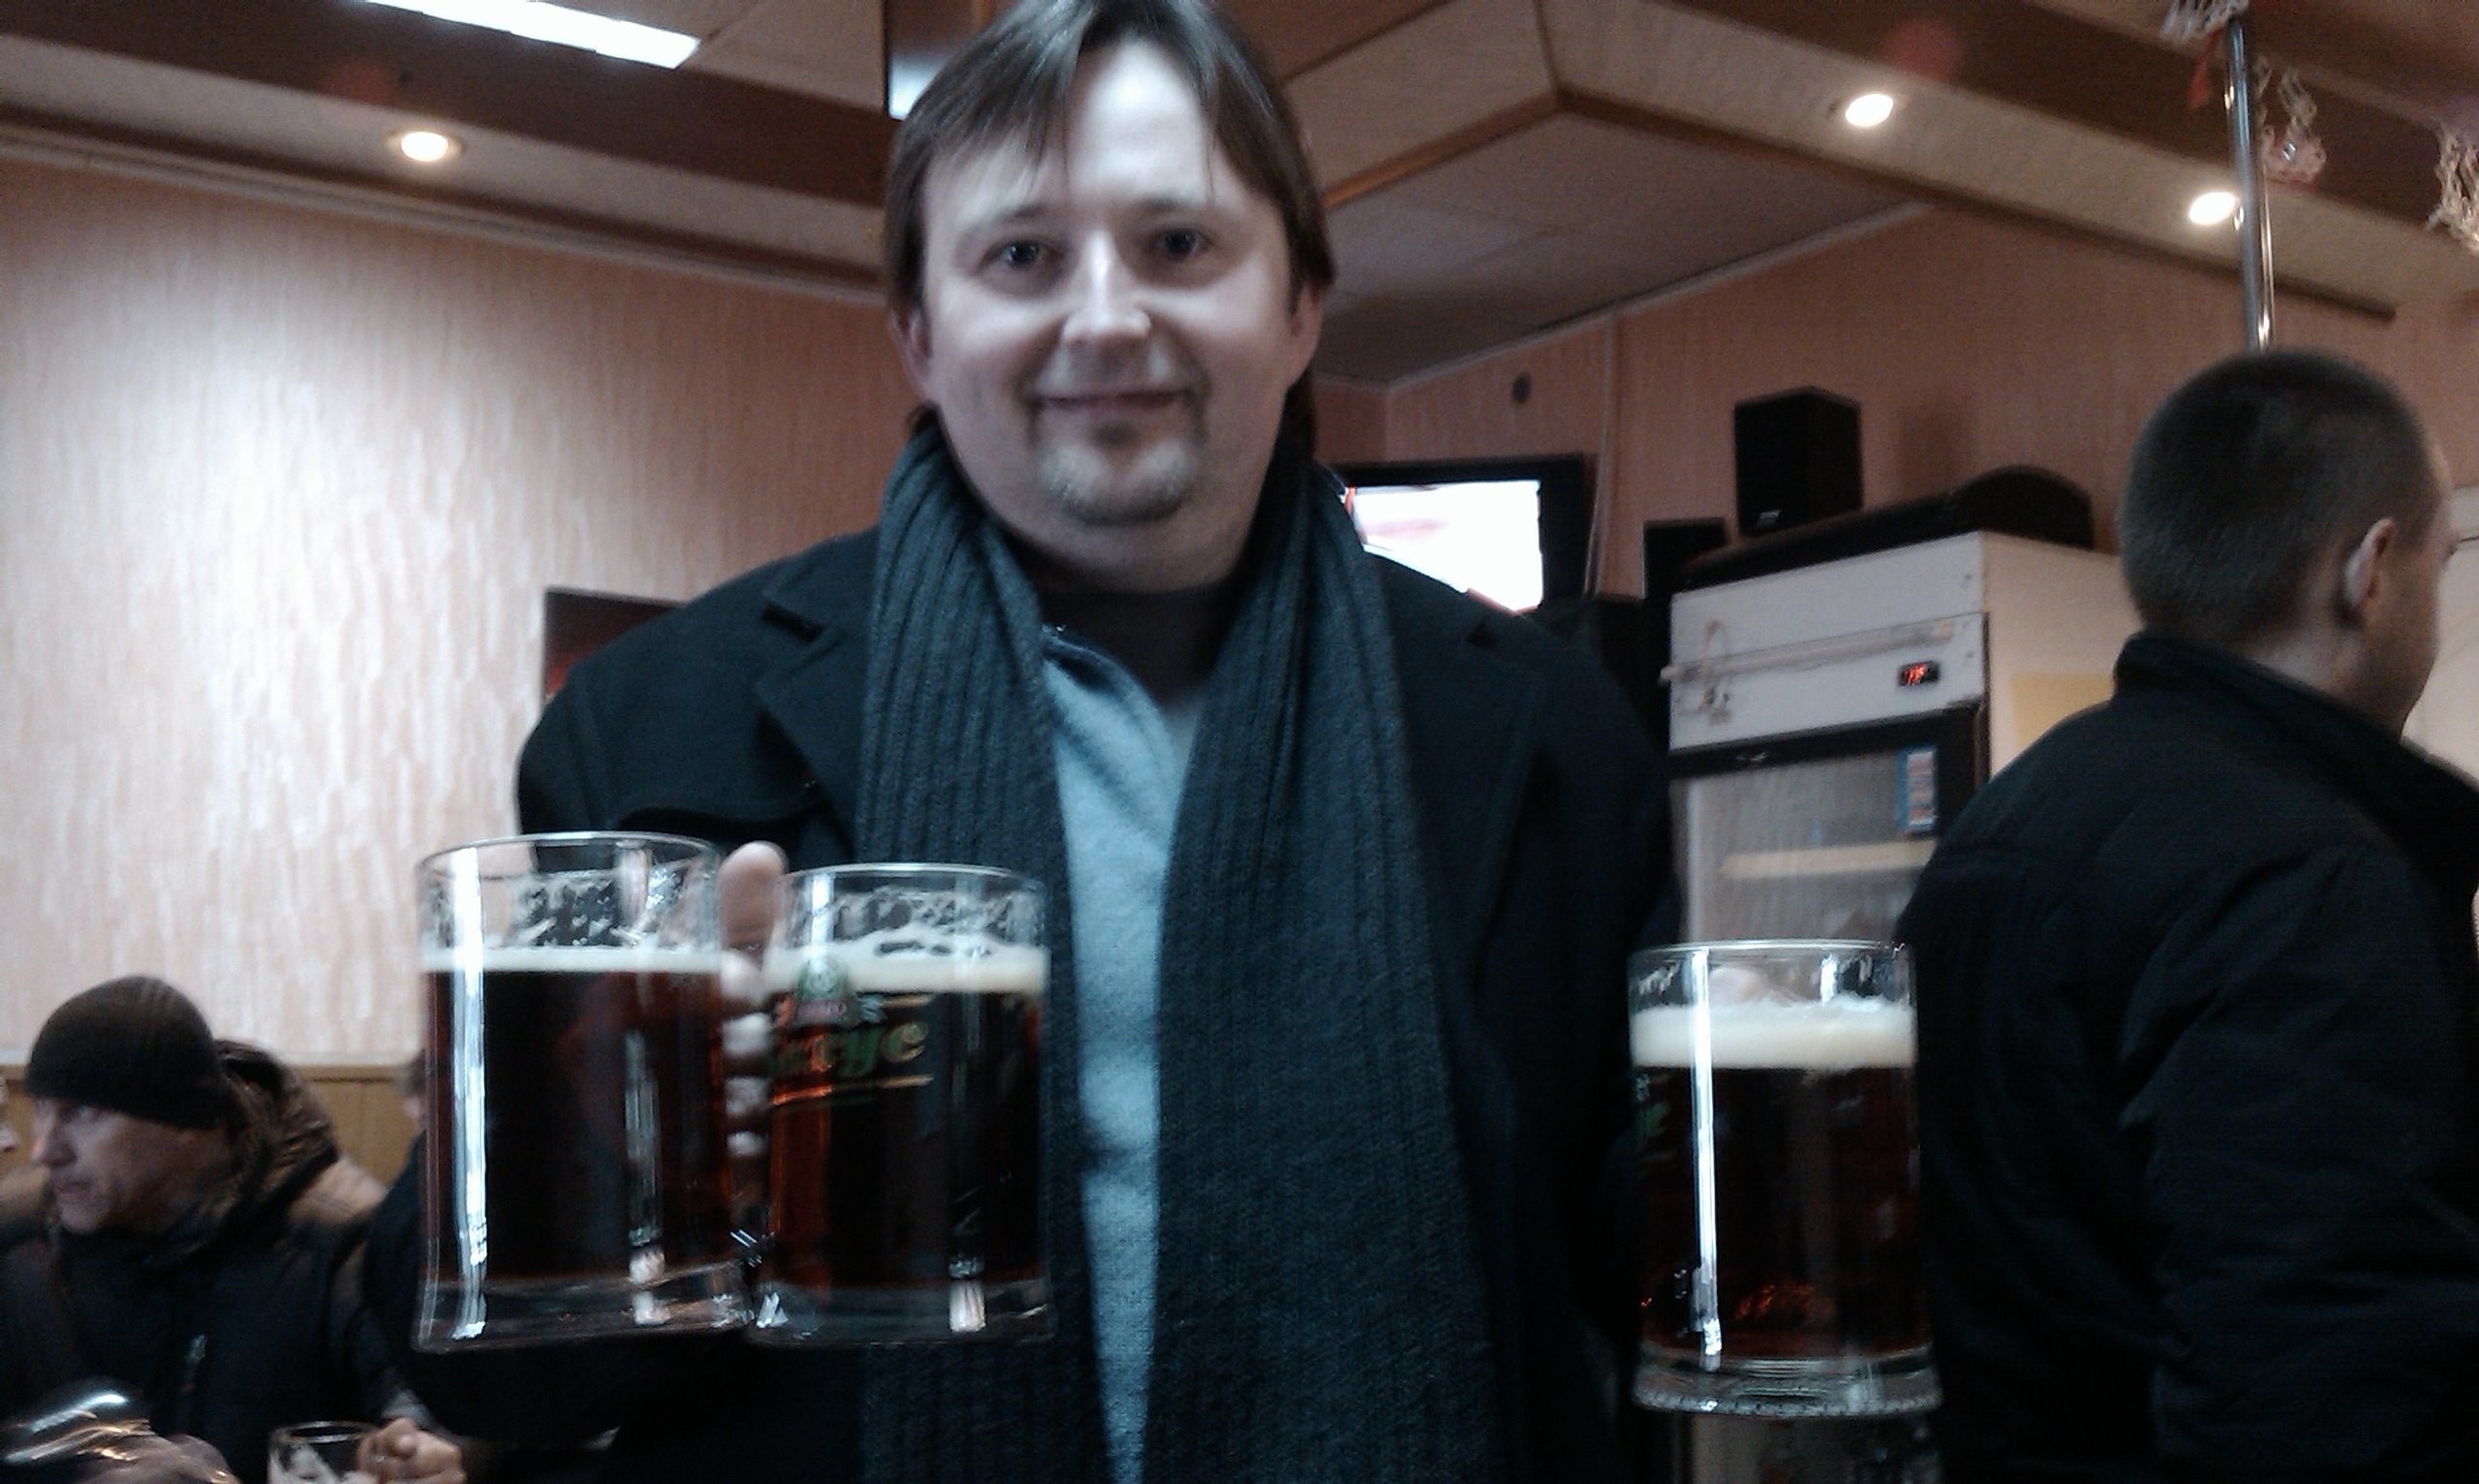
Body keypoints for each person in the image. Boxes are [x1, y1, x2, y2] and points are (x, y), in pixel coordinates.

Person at [362, 0, 1674, 1479]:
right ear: (921, 335)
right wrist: (621, 1140)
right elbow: (468, 1364)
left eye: (1178, 244)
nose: (1105, 317)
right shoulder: (659, 717)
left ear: (1302, 306)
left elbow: (1654, 1271)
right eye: (1023, 257)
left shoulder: (1547, 733)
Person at [1896, 350, 2479, 1482]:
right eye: (2438, 562)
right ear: (2368, 571)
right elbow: (2324, 1388)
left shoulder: (2009, 817)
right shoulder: (2309, 880)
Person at [0, 978, 466, 1484]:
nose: (43, 1150)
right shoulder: (18, 1236)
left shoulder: (337, 1237)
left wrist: (416, 1454)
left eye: (81, 1113)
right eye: (40, 1109)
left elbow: (429, 1414)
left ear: (182, 1123)